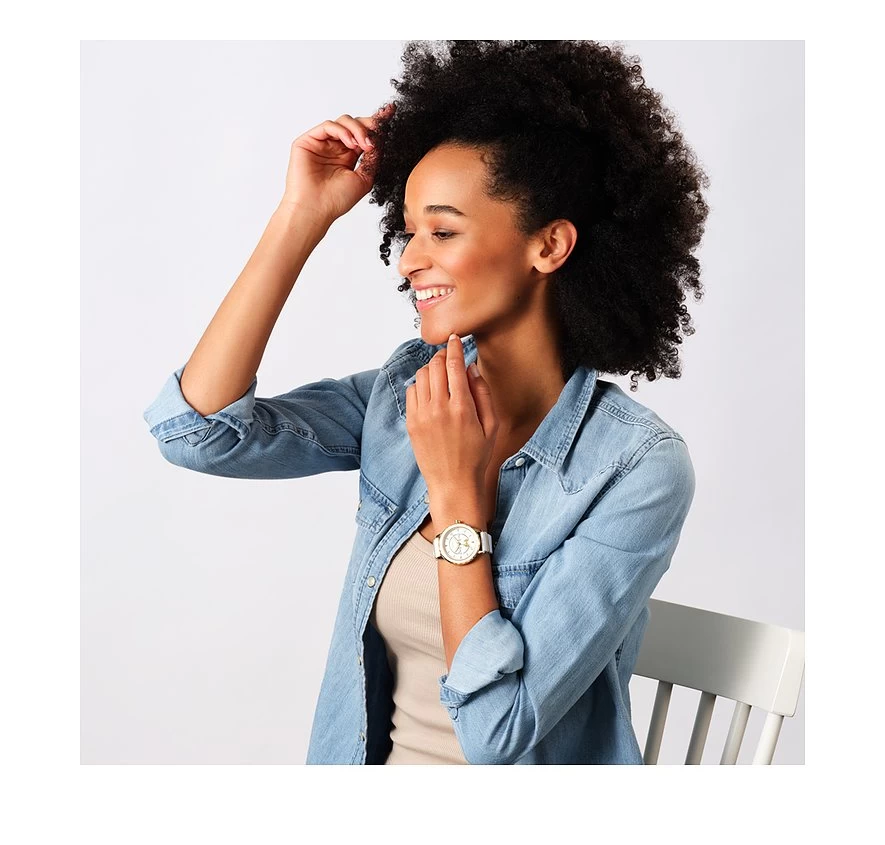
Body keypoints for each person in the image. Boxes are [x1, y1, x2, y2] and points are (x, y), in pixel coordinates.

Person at [143, 40, 710, 764]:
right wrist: (301, 216)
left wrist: (456, 498)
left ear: (549, 246)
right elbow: (196, 435)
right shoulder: (407, 390)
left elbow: (498, 732)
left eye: (442, 231)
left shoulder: (634, 468)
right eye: (409, 230)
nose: (409, 258)